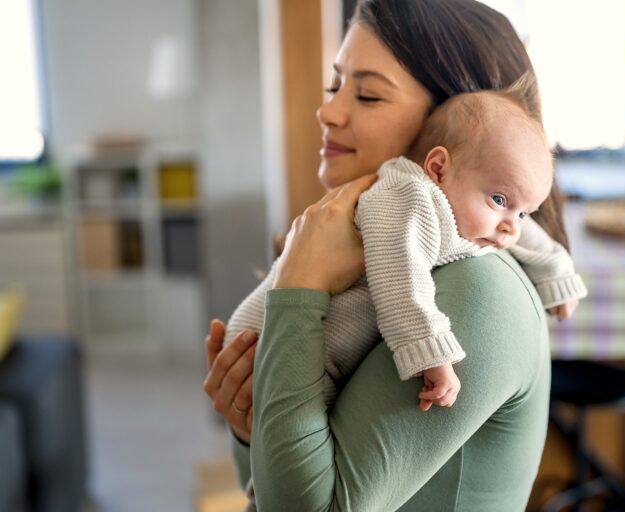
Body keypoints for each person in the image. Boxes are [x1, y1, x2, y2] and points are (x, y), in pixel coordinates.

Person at [203, 0, 579, 508]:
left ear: (452, 130)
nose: (328, 110)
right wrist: (251, 423)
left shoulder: (479, 291)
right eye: (336, 85)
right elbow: (270, 490)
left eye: (369, 95)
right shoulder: (378, 249)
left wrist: (300, 287)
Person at [223, 84, 586, 415]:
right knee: (292, 433)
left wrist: (556, 268)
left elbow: (516, 222)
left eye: (524, 212)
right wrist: (429, 349)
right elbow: (400, 272)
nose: (513, 227)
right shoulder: (407, 195)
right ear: (439, 167)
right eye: (499, 200)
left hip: (313, 352)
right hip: (263, 338)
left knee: (291, 435)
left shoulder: (472, 203)